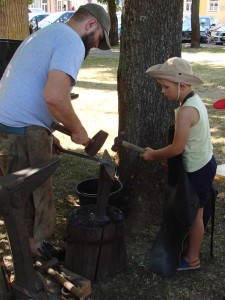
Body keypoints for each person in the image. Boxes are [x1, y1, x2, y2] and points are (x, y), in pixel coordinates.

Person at [0, 3, 111, 257]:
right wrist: (78, 130)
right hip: (20, 132)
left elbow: (32, 89)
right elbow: (55, 97)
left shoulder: (46, 33)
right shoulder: (70, 40)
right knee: (32, 200)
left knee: (20, 201)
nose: (95, 45)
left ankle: (29, 253)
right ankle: (34, 259)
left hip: (10, 128)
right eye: (98, 39)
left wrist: (46, 132)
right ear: (91, 24)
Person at [141, 57, 217, 271]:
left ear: (181, 85)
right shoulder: (193, 101)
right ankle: (189, 249)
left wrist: (154, 154)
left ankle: (192, 259)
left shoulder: (186, 111)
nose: (163, 91)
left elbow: (177, 148)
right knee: (195, 211)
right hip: (202, 162)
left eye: (165, 87)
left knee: (196, 214)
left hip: (198, 169)